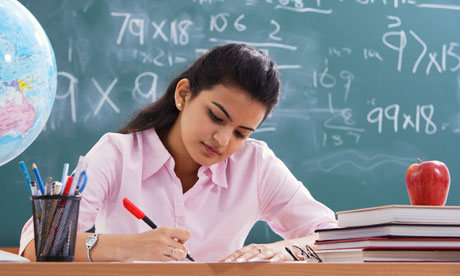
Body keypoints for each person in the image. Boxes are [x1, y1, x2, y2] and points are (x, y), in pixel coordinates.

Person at [20, 43, 337, 262]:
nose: (223, 139)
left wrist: (284, 251)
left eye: (241, 132)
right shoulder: (117, 154)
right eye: (216, 116)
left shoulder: (256, 165)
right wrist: (130, 247)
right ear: (183, 94)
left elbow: (333, 238)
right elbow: (36, 243)